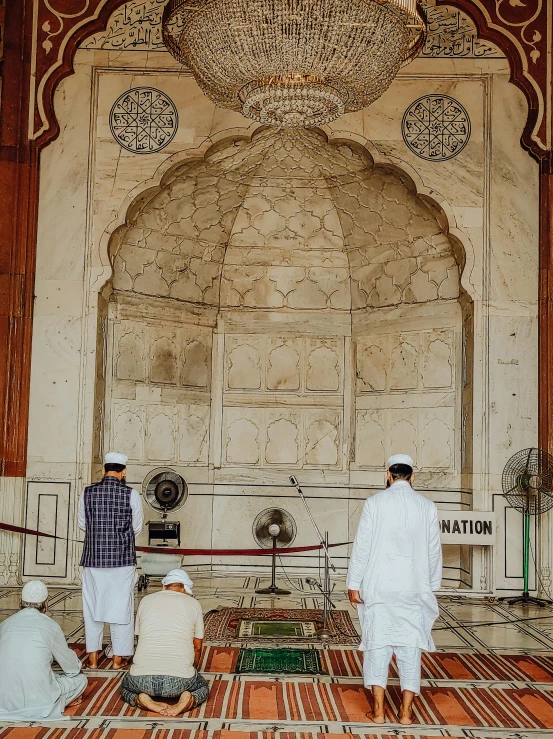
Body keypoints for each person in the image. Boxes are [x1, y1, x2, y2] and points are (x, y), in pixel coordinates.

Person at [347, 454, 442, 726]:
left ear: (388, 475)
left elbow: (362, 546)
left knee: (378, 646)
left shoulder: (374, 503)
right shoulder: (426, 506)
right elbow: (434, 550)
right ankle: (406, 713)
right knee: (410, 648)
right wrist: (431, 585)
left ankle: (378, 712)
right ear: (412, 477)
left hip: (379, 588)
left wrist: (354, 583)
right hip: (413, 588)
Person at [78, 451, 144, 669]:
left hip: (93, 560)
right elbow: (136, 528)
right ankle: (118, 659)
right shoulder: (131, 494)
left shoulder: (87, 493)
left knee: (92, 609)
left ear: (103, 470)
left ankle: (94, 659)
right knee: (121, 608)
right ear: (123, 472)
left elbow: (82, 525)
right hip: (122, 561)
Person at [120, 569, 209, 715]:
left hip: (141, 680)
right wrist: (192, 669)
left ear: (164, 586)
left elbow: (139, 637)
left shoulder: (145, 600)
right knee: (202, 688)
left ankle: (142, 699)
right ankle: (187, 700)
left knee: (125, 687)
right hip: (180, 682)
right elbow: (197, 646)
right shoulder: (193, 603)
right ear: (185, 589)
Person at [0, 580, 87, 721]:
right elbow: (72, 669)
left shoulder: (5, 624)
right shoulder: (50, 626)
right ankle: (64, 701)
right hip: (39, 703)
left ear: (20, 602)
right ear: (46, 604)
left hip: (3, 700)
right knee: (80, 679)